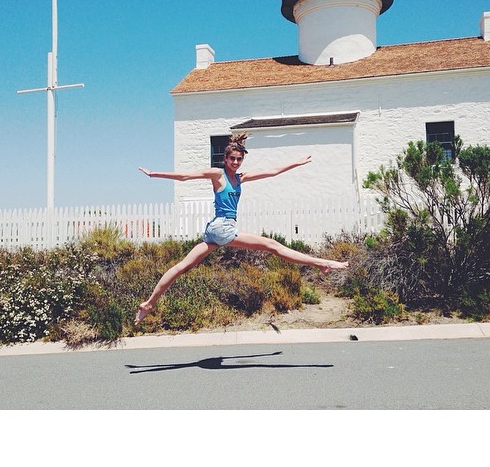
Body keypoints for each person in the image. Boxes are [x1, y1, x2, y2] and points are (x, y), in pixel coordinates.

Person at [134, 133, 349, 324]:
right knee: (273, 245)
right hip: (222, 227)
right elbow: (185, 176)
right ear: (225, 159)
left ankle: (149, 303)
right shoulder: (217, 174)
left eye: (239, 159)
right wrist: (154, 174)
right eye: (232, 159)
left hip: (213, 230)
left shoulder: (240, 178)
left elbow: (272, 172)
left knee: (182, 266)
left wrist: (296, 163)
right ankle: (322, 263)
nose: (235, 162)